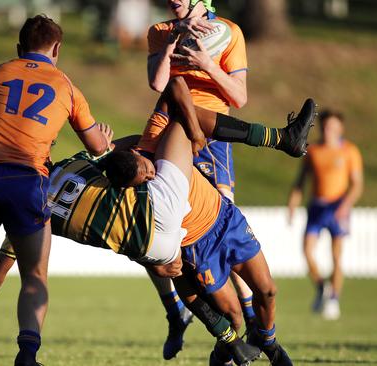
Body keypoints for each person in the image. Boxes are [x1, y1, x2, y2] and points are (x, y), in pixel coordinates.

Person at [0, 77, 314, 365]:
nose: (147, 171)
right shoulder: (81, 179)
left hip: (221, 219)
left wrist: (126, 146)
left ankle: (266, 343)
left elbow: (174, 91)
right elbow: (4, 262)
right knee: (232, 316)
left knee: (266, 290)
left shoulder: (111, 156)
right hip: (190, 243)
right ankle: (221, 342)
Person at [0, 15, 111, 366]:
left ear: (19, 48)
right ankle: (27, 355)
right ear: (57, 49)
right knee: (34, 274)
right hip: (26, 180)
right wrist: (104, 139)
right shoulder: (65, 85)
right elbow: (96, 146)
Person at [147, 1, 261, 359]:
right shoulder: (160, 31)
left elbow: (239, 97)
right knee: (150, 228)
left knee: (224, 230)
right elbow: (157, 83)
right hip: (167, 129)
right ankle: (174, 310)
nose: (172, 0)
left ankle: (248, 318)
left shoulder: (230, 32)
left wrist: (206, 64)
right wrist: (171, 46)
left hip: (211, 139)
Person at [288, 110, 364, 320]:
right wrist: (293, 204)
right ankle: (322, 288)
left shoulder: (349, 151)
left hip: (338, 206)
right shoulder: (313, 150)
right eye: (325, 126)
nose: (328, 130)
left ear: (340, 129)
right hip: (317, 206)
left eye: (332, 127)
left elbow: (357, 185)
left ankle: (334, 299)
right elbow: (300, 181)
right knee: (307, 250)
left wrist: (346, 205)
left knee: (336, 255)